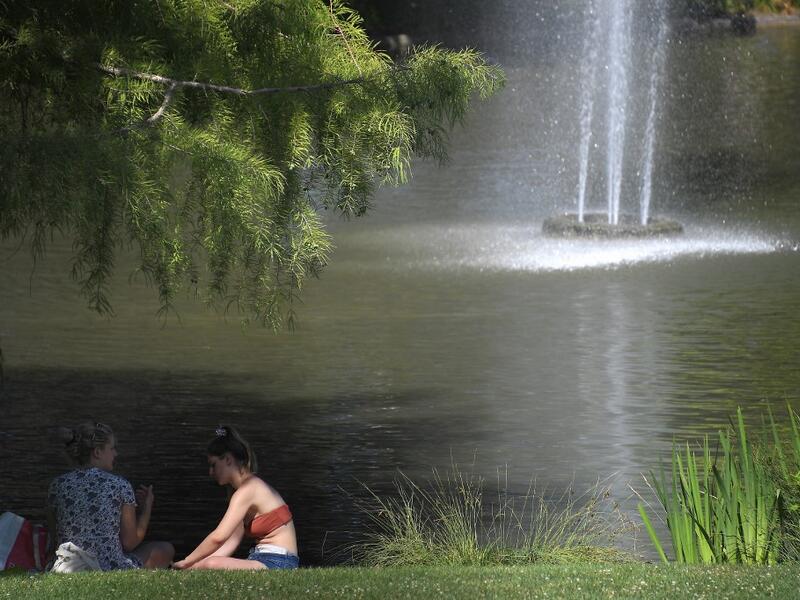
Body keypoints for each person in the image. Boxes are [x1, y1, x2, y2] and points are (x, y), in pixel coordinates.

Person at [46, 421, 174, 570]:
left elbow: (55, 538)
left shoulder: (57, 485)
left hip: (69, 565)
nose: (116, 453)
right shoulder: (119, 485)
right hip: (108, 566)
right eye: (112, 448)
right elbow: (129, 543)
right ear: (97, 452)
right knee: (165, 548)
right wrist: (146, 508)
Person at [172, 426, 298, 570]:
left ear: (228, 459)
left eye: (213, 465)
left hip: (280, 561)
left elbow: (218, 537)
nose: (210, 472)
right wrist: (194, 566)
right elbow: (232, 540)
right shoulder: (241, 492)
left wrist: (187, 561)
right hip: (261, 557)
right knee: (211, 563)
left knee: (212, 563)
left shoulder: (249, 489)